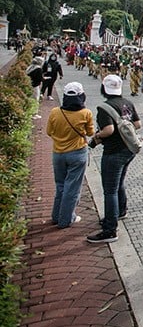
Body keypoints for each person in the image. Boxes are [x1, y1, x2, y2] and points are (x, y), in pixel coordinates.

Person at [87, 75, 141, 243]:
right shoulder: (127, 103)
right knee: (119, 183)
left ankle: (110, 229)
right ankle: (120, 211)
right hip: (129, 150)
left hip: (113, 152)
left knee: (109, 190)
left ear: (104, 89)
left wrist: (96, 137)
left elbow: (108, 130)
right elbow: (138, 124)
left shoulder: (105, 108)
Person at [46, 82, 94, 228]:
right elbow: (90, 132)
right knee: (72, 188)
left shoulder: (55, 112)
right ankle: (66, 219)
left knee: (60, 185)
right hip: (77, 153)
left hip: (58, 153)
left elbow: (49, 132)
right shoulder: (85, 113)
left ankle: (56, 216)